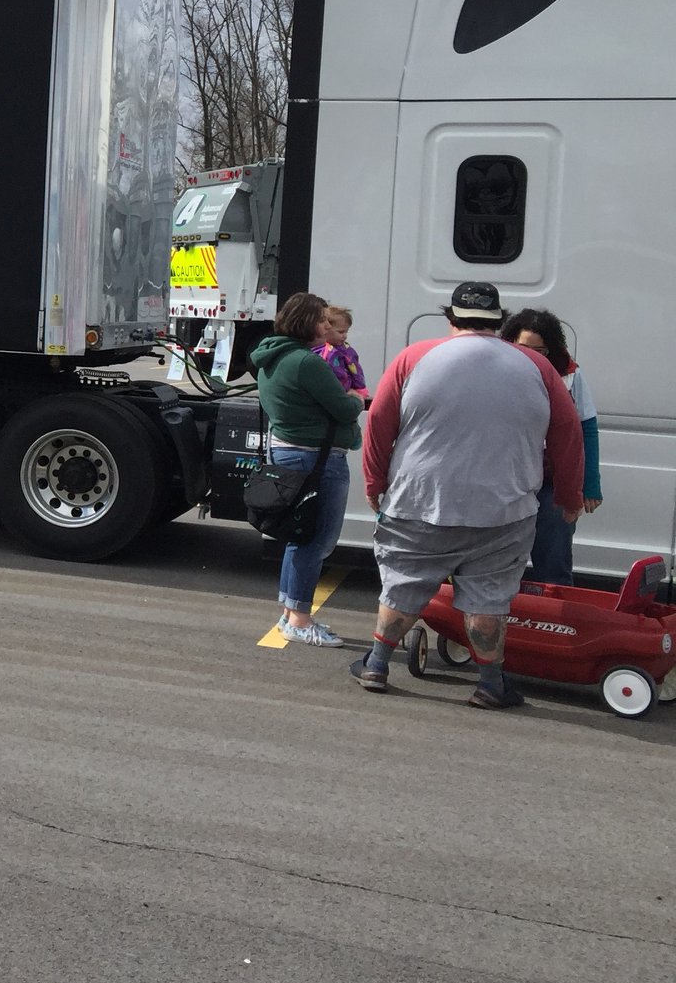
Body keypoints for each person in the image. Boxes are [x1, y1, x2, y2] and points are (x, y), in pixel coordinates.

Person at [350, 281, 585, 708]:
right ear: (499, 321)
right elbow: (569, 433)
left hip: (420, 501)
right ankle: (491, 684)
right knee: (489, 596)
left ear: (450, 318)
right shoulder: (537, 366)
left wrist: (374, 482)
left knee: (403, 583)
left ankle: (377, 665)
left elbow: (379, 424)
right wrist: (570, 497)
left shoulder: (414, 357)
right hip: (505, 508)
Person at [249, 292, 365, 646]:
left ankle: (290, 613)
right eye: (323, 321)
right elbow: (346, 409)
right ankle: (299, 619)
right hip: (316, 460)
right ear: (306, 323)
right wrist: (356, 400)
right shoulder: (306, 363)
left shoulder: (274, 355)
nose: (329, 327)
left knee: (299, 537)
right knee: (317, 540)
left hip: (291, 454)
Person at [500, 308, 600, 583]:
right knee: (500, 550)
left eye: (539, 350)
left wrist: (590, 484)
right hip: (507, 476)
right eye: (522, 348)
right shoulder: (496, 370)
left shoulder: (569, 374)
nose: (530, 356)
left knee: (556, 535)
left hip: (550, 477)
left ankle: (555, 609)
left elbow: (586, 429)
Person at [314, 304, 370, 402]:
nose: (344, 336)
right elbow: (337, 375)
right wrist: (346, 389)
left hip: (352, 390)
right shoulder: (326, 352)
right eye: (340, 332)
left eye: (346, 332)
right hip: (339, 394)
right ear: (326, 329)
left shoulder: (345, 348)